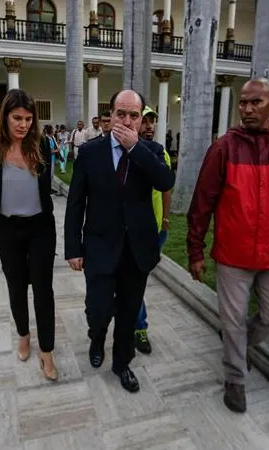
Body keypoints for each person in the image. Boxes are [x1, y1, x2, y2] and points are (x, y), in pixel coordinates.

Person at [186, 78, 269, 413]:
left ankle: (237, 341)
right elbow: (202, 203)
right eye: (243, 103)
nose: (246, 109)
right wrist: (196, 251)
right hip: (232, 255)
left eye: (255, 102)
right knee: (231, 323)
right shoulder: (224, 148)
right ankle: (235, 380)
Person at [64, 89, 175, 393]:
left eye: (134, 115)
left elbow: (165, 182)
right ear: (109, 116)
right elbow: (75, 204)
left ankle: (122, 363)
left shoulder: (151, 151)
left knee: (128, 312)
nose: (126, 120)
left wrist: (135, 148)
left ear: (141, 120)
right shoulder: (90, 152)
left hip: (136, 249)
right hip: (99, 246)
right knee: (98, 309)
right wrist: (73, 248)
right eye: (120, 114)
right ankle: (97, 337)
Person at [0, 90, 58, 381]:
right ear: (5, 117)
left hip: (40, 229)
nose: (23, 124)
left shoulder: (42, 146)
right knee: (16, 287)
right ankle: (23, 335)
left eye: (28, 118)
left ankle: (47, 350)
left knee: (43, 290)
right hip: (7, 229)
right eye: (17, 118)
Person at [133, 105, 172, 355]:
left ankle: (137, 325)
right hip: (131, 230)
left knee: (138, 280)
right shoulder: (128, 153)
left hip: (154, 231)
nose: (149, 126)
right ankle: (137, 325)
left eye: (152, 121)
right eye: (144, 121)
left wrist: (165, 221)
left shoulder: (161, 154)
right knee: (134, 281)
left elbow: (166, 189)